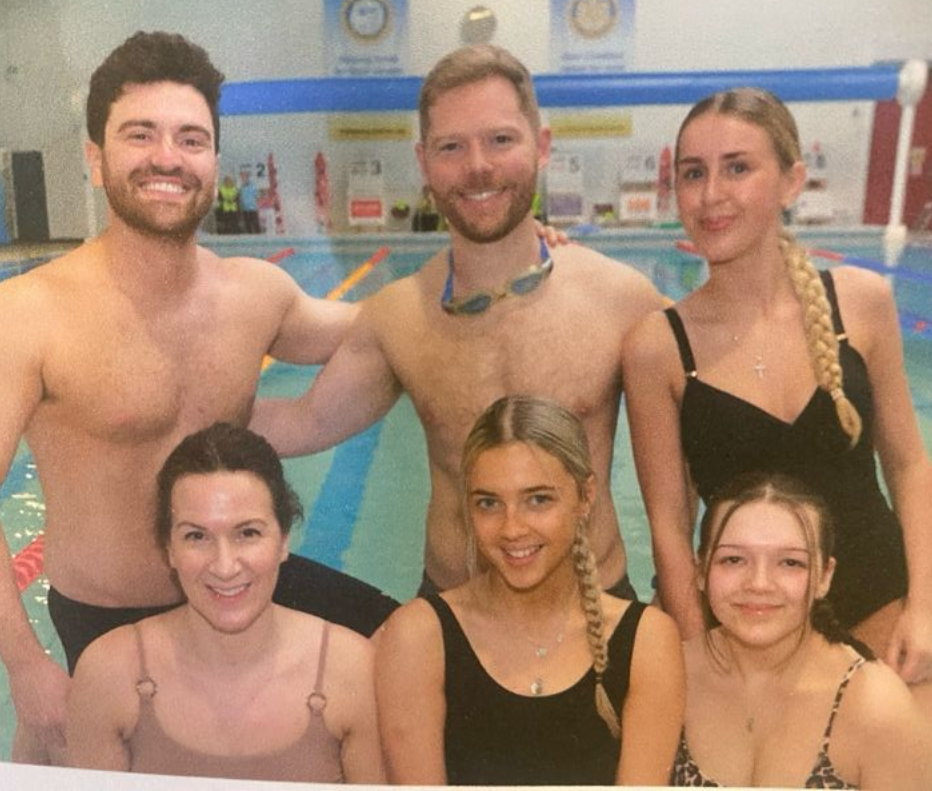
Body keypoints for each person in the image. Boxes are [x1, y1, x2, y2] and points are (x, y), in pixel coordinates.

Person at [0, 30, 397, 764]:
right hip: (112, 621)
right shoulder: (29, 315)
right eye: (139, 134)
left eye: (191, 139)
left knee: (409, 646)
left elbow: (388, 325)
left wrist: (493, 270)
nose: (167, 158)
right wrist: (26, 668)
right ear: (95, 159)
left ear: (214, 161)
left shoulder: (255, 294)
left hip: (239, 587)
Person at [251, 44, 664, 599]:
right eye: (452, 147)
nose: (478, 166)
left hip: (595, 608)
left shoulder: (621, 299)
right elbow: (306, 421)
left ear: (542, 146)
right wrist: (170, 410)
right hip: (453, 612)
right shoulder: (400, 314)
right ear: (424, 163)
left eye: (500, 140)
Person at [620, 87, 932, 702]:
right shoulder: (657, 348)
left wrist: (925, 607)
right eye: (693, 173)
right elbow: (669, 526)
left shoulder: (861, 302)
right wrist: (700, 652)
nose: (711, 194)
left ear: (791, 181)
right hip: (744, 627)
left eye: (738, 168)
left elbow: (909, 467)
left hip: (883, 607)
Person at [375, 395, 684, 785]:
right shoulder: (419, 636)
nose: (512, 528)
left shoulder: (647, 640)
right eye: (489, 503)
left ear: (586, 496)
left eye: (538, 500)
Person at [67, 423, 384, 782]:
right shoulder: (109, 674)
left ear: (283, 540)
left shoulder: (352, 670)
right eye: (196, 536)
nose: (225, 566)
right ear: (169, 549)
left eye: (247, 533)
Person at [672, 471, 932, 788]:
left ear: (824, 576)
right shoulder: (671, 677)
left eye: (790, 563)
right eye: (734, 559)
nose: (759, 583)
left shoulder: (875, 707)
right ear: (700, 570)